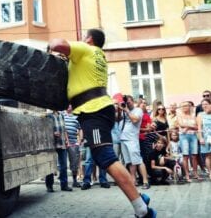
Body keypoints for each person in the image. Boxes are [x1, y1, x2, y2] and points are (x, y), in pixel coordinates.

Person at [48, 29, 156, 217]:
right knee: (101, 157)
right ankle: (138, 196)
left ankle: (143, 210)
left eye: (83, 37)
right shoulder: (98, 55)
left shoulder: (86, 49)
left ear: (89, 39)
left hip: (93, 111)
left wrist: (49, 46)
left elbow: (58, 44)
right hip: (97, 108)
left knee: (105, 157)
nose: (80, 39)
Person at [119, 95, 150, 189]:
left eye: (128, 102)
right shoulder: (123, 111)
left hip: (132, 138)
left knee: (138, 160)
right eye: (126, 103)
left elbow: (135, 120)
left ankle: (145, 181)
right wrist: (118, 108)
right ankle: (133, 181)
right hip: (123, 138)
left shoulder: (138, 110)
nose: (127, 104)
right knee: (130, 162)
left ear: (133, 101)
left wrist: (126, 110)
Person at [45, 110, 73, 192]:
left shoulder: (62, 115)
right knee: (50, 166)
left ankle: (64, 185)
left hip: (62, 142)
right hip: (52, 143)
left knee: (63, 165)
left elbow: (64, 129)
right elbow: (45, 129)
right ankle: (49, 186)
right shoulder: (48, 115)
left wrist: (67, 140)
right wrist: (52, 133)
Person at [177, 101, 201, 182]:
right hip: (183, 136)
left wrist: (187, 127)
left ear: (190, 106)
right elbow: (181, 124)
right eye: (183, 106)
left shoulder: (194, 115)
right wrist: (190, 126)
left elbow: (197, 126)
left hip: (193, 135)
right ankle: (187, 174)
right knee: (185, 155)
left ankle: (195, 173)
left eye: (186, 106)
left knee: (194, 155)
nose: (185, 107)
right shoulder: (179, 115)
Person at [63, 104, 83, 188]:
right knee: (63, 164)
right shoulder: (62, 115)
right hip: (63, 143)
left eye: (70, 105)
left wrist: (80, 140)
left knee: (74, 163)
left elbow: (80, 129)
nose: (68, 106)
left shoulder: (76, 117)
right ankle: (64, 183)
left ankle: (74, 181)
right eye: (67, 105)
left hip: (74, 143)